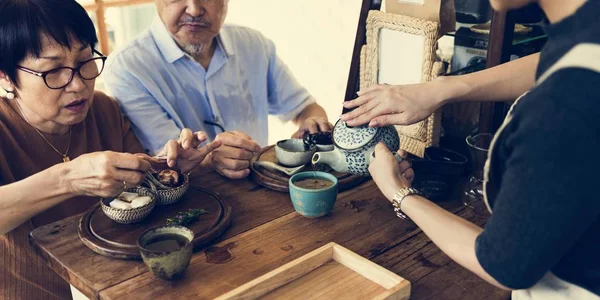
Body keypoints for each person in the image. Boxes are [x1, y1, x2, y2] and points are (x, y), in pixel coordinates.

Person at [343, 0, 600, 298]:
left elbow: (504, 265)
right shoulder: (585, 37)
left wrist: (399, 192)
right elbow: (560, 59)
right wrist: (440, 89)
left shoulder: (563, 106)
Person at [0, 1, 221, 299]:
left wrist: (172, 170)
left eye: (84, 60)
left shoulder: (103, 109)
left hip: (115, 284)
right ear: (5, 78)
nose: (77, 84)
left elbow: (141, 187)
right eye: (52, 70)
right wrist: (67, 178)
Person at [103, 0, 332, 180]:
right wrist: (210, 159)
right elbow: (168, 161)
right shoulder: (127, 67)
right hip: (190, 204)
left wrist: (313, 122)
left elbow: (305, 108)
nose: (194, 9)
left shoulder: (254, 44)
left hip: (261, 186)